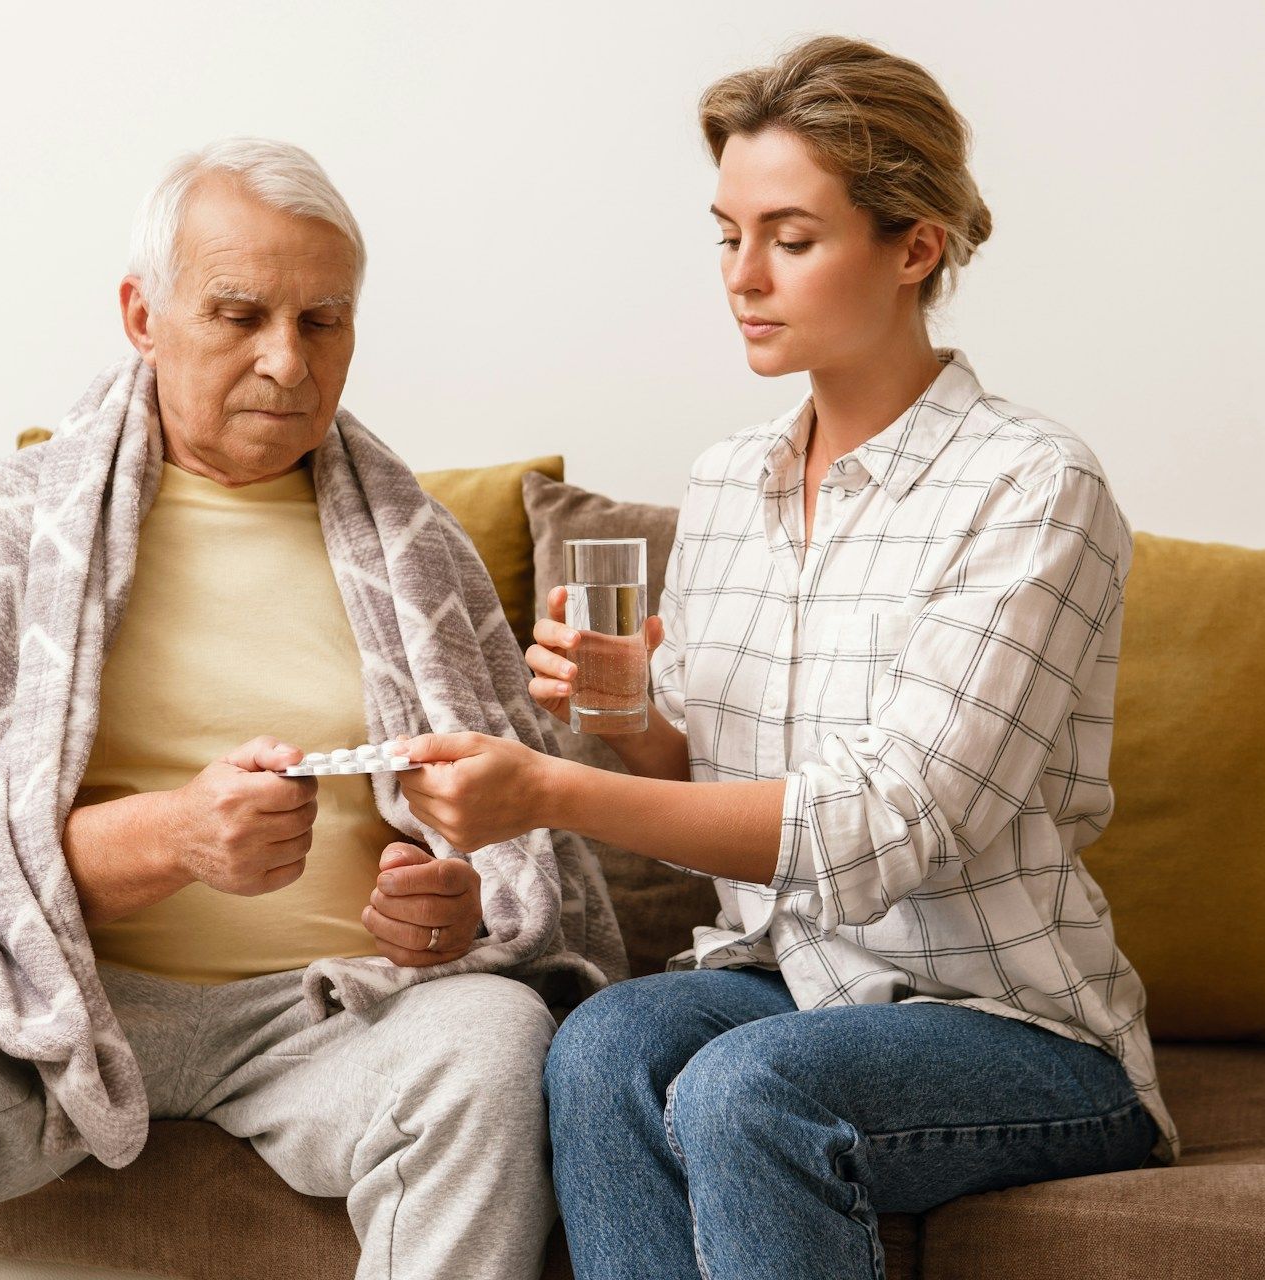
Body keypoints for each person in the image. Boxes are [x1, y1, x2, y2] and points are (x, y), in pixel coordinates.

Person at [0, 138, 622, 1280]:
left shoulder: (426, 557)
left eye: (322, 321)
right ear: (141, 314)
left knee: (494, 1043)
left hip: (330, 1013)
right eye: (240, 313)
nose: (286, 361)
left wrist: (456, 908)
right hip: (29, 997)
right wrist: (167, 838)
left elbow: (514, 854)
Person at [398, 36, 1179, 1280]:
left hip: (1005, 1019)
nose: (742, 277)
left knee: (746, 1087)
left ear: (913, 245)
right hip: (784, 978)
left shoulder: (1034, 486)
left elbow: (888, 821)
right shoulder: (727, 480)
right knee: (601, 1045)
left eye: (792, 238)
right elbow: (711, 772)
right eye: (727, 235)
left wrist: (550, 789)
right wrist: (625, 714)